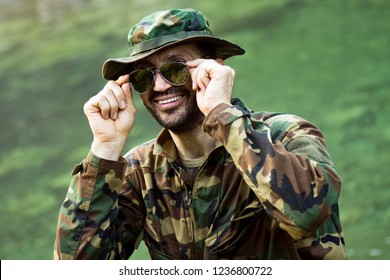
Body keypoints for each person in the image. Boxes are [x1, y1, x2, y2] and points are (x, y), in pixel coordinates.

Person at [54, 8, 346, 260]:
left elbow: (307, 216)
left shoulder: (286, 135)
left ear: (214, 67)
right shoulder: (139, 171)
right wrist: (105, 148)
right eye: (144, 76)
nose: (158, 87)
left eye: (176, 68)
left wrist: (220, 110)